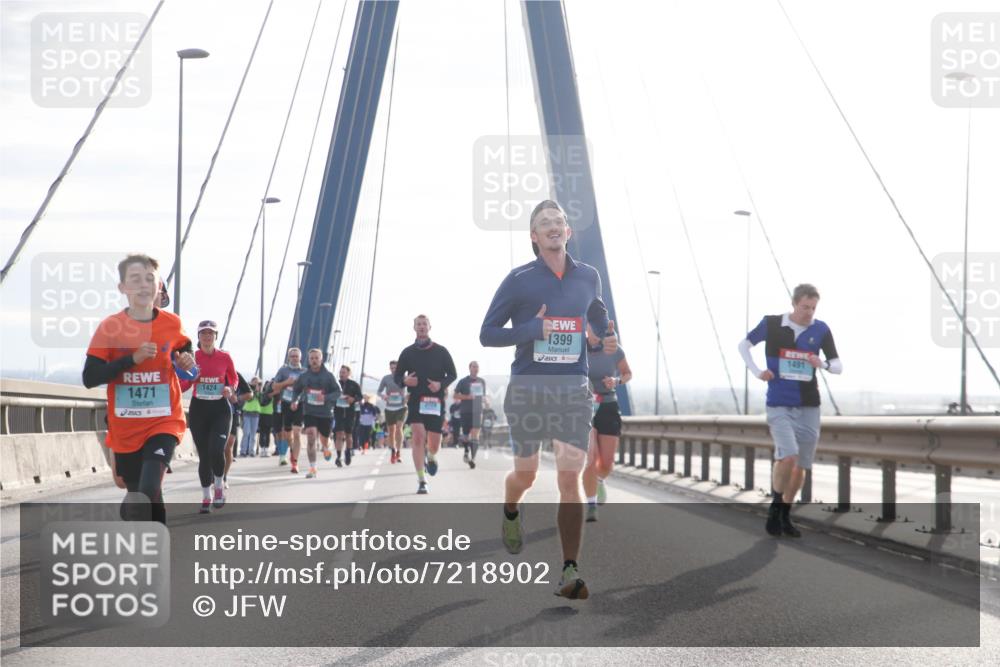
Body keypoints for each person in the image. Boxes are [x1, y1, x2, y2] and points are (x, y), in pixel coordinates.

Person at [480, 199, 618, 600]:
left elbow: (597, 315)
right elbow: (488, 333)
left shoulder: (589, 276)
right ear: (534, 237)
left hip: (573, 389)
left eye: (559, 221)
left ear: (568, 232)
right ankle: (510, 510)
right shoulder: (519, 279)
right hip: (528, 389)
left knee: (569, 474)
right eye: (545, 223)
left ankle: (569, 569)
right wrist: (531, 328)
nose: (554, 226)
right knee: (526, 475)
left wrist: (603, 335)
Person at [83, 254, 196, 524]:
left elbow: (185, 352)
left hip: (164, 421)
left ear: (159, 287)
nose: (144, 285)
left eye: (150, 279)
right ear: (123, 288)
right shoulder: (109, 327)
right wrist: (131, 360)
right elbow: (90, 377)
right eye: (135, 279)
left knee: (147, 488)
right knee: (137, 492)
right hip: (126, 426)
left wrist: (185, 359)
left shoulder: (172, 323)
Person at [738, 283, 843, 538]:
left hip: (809, 405)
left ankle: (785, 512)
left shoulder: (820, 329)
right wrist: (757, 371)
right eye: (805, 307)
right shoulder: (773, 324)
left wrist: (823, 363)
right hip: (779, 403)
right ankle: (775, 506)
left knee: (802, 465)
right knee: (788, 456)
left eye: (813, 308)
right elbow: (744, 345)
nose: (809, 313)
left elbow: (838, 365)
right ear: (794, 304)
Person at [394, 314, 457, 494]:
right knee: (418, 436)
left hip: (436, 402)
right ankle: (422, 479)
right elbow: (397, 377)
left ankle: (431, 456)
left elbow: (452, 374)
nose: (421, 327)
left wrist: (440, 384)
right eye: (418, 324)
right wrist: (405, 380)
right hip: (415, 401)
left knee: (434, 444)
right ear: (414, 328)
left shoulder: (441, 351)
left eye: (424, 324)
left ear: (430, 327)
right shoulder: (407, 352)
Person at [180, 320, 238, 512]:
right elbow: (184, 385)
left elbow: (233, 378)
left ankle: (219, 486)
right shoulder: (192, 358)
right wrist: (191, 379)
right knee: (204, 456)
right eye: (203, 333)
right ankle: (206, 496)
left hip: (220, 409)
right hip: (199, 410)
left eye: (210, 333)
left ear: (215, 336)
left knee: (216, 450)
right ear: (198, 337)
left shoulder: (225, 357)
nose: (207, 336)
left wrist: (230, 388)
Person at [582, 324, 631, 522]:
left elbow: (628, 373)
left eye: (598, 329)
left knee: (607, 463)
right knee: (591, 458)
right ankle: (591, 504)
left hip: (608, 405)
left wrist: (616, 380)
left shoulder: (614, 348)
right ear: (586, 328)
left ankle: (600, 480)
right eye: (592, 329)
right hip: (584, 406)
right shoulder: (577, 348)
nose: (595, 334)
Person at [289, 349, 341, 478]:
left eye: (316, 358)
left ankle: (327, 446)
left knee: (324, 439)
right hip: (310, 411)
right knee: (311, 437)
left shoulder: (329, 376)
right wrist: (294, 400)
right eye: (311, 358)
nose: (314, 360)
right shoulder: (304, 376)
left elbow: (338, 392)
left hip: (325, 413)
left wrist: (326, 398)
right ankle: (313, 468)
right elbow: (296, 389)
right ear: (308, 359)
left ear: (321, 359)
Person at [271, 348, 306, 472]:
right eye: (292, 356)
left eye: (297, 356)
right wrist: (287, 382)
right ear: (289, 357)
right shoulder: (283, 370)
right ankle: (291, 450)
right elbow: (274, 386)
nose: (295, 358)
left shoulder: (305, 371)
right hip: (285, 404)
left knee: (297, 432)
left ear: (300, 358)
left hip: (300, 404)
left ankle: (294, 462)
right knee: (287, 434)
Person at [453, 361, 487, 469]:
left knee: (475, 434)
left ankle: (473, 459)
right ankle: (466, 450)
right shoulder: (463, 381)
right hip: (466, 411)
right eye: (474, 366)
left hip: (478, 411)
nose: (476, 368)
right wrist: (468, 397)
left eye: (477, 366)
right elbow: (455, 395)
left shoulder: (482, 381)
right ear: (470, 368)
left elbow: (482, 396)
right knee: (466, 435)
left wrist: (485, 401)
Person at [223, 371, 252, 487]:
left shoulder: (235, 374)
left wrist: (238, 398)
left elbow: (250, 394)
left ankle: (224, 476)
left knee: (228, 445)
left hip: (233, 413)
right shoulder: (210, 372)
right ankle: (213, 474)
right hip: (214, 414)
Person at [377, 360, 407, 463]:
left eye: (395, 368)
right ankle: (393, 451)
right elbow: (378, 391)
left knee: (399, 428)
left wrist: (407, 397)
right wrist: (383, 396)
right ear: (390, 368)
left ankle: (399, 451)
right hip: (389, 408)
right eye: (392, 368)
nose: (394, 370)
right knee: (391, 432)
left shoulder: (404, 377)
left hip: (401, 407)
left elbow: (412, 389)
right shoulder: (386, 378)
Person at [333, 365, 363, 466]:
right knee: (339, 434)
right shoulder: (335, 384)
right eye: (340, 372)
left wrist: (353, 399)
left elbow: (360, 397)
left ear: (348, 373)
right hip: (338, 411)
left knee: (348, 434)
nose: (341, 374)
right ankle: (338, 457)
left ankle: (348, 452)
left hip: (350, 412)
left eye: (344, 372)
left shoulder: (354, 385)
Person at [239, 377, 263, 457]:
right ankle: (243, 451)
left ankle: (251, 451)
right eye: (255, 382)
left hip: (256, 414)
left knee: (253, 434)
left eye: (258, 383)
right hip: (247, 413)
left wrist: (258, 390)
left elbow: (262, 401)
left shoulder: (259, 392)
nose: (256, 384)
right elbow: (249, 399)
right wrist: (253, 389)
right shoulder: (248, 390)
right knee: (246, 433)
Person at [256, 379, 275, 456]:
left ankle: (265, 449)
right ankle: (263, 449)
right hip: (266, 415)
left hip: (266, 415)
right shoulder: (264, 394)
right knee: (265, 433)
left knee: (265, 433)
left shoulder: (262, 394)